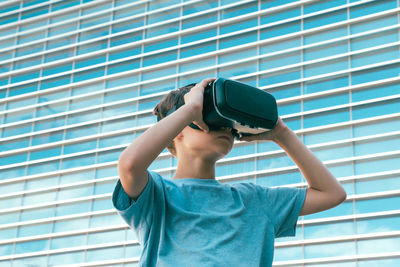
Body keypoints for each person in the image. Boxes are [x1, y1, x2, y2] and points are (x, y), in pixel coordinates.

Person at [112, 78, 347, 266]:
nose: (224, 126)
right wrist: (192, 107)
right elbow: (130, 165)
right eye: (210, 119)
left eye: (227, 122)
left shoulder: (253, 200)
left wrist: (282, 133)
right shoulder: (157, 195)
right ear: (178, 129)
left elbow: (331, 193)